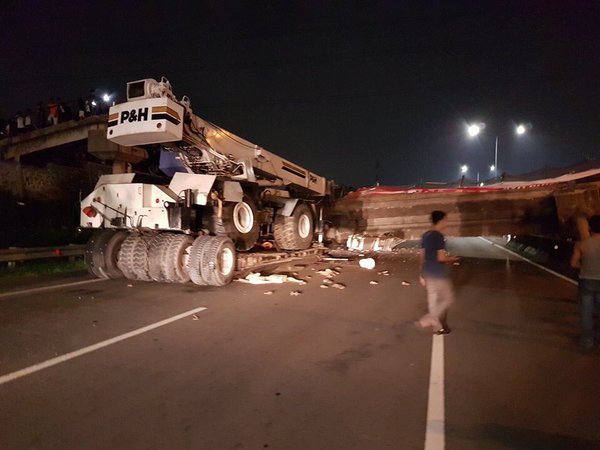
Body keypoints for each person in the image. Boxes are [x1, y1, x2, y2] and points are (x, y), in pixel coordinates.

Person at [416, 210, 459, 335]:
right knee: (448, 298)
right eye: (446, 219)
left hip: (428, 272)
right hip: (439, 274)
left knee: (433, 301)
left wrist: (421, 274)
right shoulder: (439, 236)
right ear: (440, 221)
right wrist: (454, 258)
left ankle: (437, 328)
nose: (447, 222)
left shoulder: (426, 235)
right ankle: (428, 319)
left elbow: (422, 255)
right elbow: (441, 258)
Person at [571, 215, 600, 349]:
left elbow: (574, 263)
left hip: (587, 280)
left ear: (590, 227)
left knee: (586, 312)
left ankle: (587, 341)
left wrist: (585, 266)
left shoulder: (582, 244)